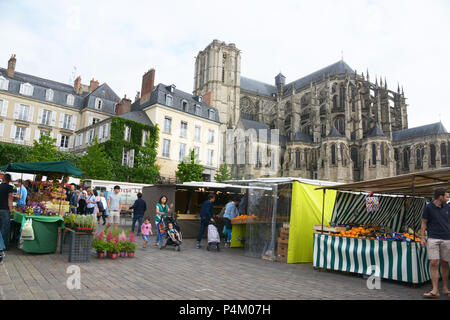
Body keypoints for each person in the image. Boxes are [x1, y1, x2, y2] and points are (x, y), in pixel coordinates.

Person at [421, 188, 450, 299]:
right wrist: (422, 238)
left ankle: (445, 288)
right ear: (440, 197)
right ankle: (435, 290)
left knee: (445, 263)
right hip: (433, 238)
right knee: (434, 263)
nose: (448, 198)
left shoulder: (448, 207)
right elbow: (424, 222)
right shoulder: (428, 207)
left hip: (447, 238)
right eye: (446, 196)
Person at [0, 174, 13, 261]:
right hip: (5, 209)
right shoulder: (10, 187)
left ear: (3, 179)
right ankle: (2, 246)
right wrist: (11, 209)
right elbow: (10, 199)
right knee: (5, 228)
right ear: (9, 180)